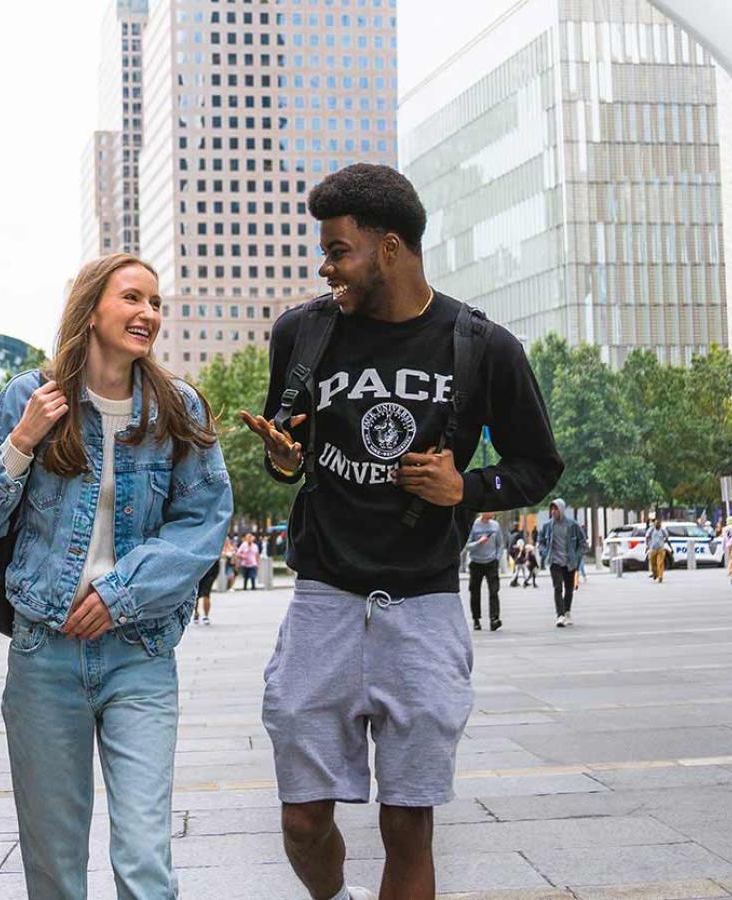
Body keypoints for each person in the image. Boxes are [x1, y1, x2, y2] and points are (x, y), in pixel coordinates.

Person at [238, 164, 562, 900]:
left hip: (423, 605)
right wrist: (280, 458)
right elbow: (285, 445)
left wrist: (467, 489)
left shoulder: (482, 345)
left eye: (337, 250)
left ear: (390, 248)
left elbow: (539, 464)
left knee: (408, 823)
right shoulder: (303, 333)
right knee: (301, 821)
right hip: (323, 598)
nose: (326, 268)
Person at [0, 252, 232, 900]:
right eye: (133, 298)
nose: (149, 314)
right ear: (93, 308)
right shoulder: (31, 396)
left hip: (139, 654)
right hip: (43, 653)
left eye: (156, 303)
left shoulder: (177, 406)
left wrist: (121, 592)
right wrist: (22, 442)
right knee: (54, 868)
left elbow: (205, 520)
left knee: (144, 861)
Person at [538, 499, 585, 627]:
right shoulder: (548, 526)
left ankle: (567, 611)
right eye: (552, 509)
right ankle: (560, 615)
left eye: (556, 509)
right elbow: (540, 541)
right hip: (555, 561)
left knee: (569, 589)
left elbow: (582, 542)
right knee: (558, 587)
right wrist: (544, 552)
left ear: (562, 510)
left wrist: (577, 556)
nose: (553, 512)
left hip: (569, 561)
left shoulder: (572, 525)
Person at [465, 512, 505, 631]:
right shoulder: (474, 525)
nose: (492, 513)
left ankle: (494, 619)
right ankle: (476, 619)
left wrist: (497, 558)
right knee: (475, 592)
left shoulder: (495, 526)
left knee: (494, 591)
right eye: (490, 510)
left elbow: (500, 544)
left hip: (491, 562)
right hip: (476, 562)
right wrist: (479, 542)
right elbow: (467, 546)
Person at [194, 551, 221, 625]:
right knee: (202, 595)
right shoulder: (213, 549)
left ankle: (200, 615)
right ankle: (203, 615)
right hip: (205, 574)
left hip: (203, 573)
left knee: (199, 595)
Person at [645, 518, 670, 583]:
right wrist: (647, 546)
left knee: (660, 563)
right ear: (654, 524)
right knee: (652, 563)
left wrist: (670, 547)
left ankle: (660, 576)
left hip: (660, 549)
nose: (657, 525)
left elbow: (667, 538)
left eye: (658, 524)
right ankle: (655, 573)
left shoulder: (663, 530)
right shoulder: (651, 530)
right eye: (656, 524)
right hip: (653, 549)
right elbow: (647, 538)